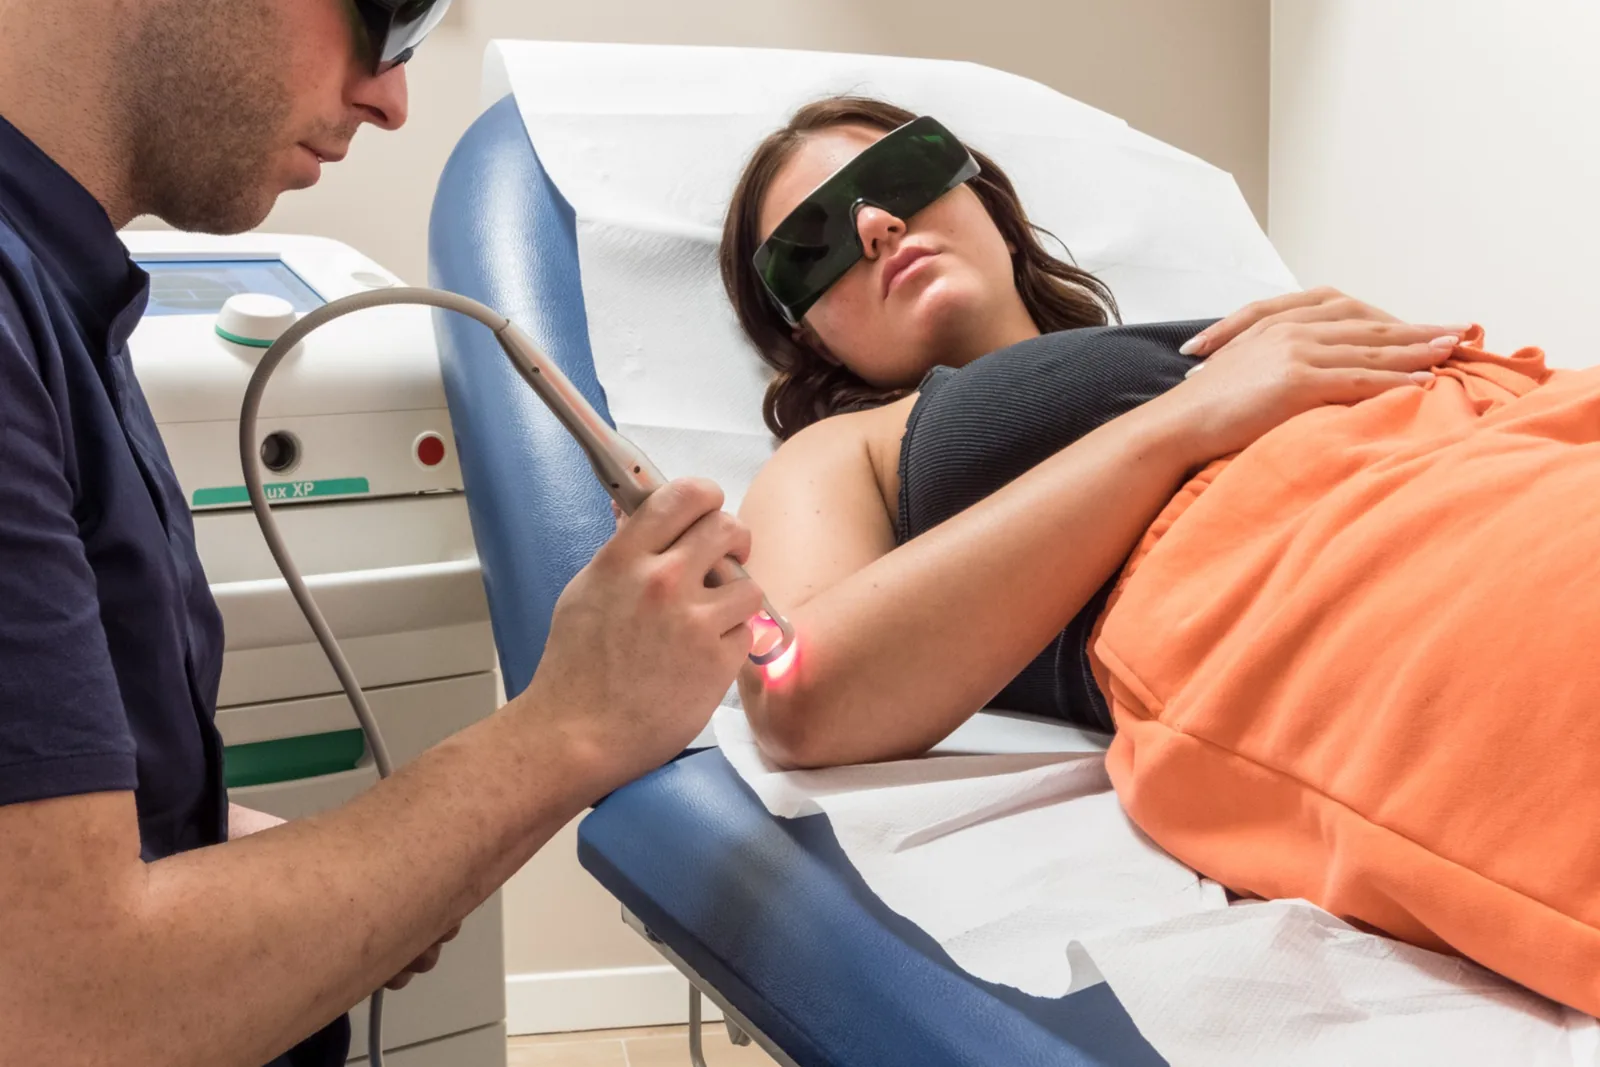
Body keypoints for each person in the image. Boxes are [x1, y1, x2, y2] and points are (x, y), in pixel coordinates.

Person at [0, 2, 763, 1065]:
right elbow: (66, 1016)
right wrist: (575, 721)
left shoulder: (61, 284)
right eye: (390, 13)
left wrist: (258, 860)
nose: (392, 98)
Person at [718, 96, 1462, 769]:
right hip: (1390, 602)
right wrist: (1185, 418)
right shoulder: (843, 451)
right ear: (810, 337)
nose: (877, 225)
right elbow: (796, 696)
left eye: (905, 174)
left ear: (994, 214)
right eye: (812, 246)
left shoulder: (1206, 338)